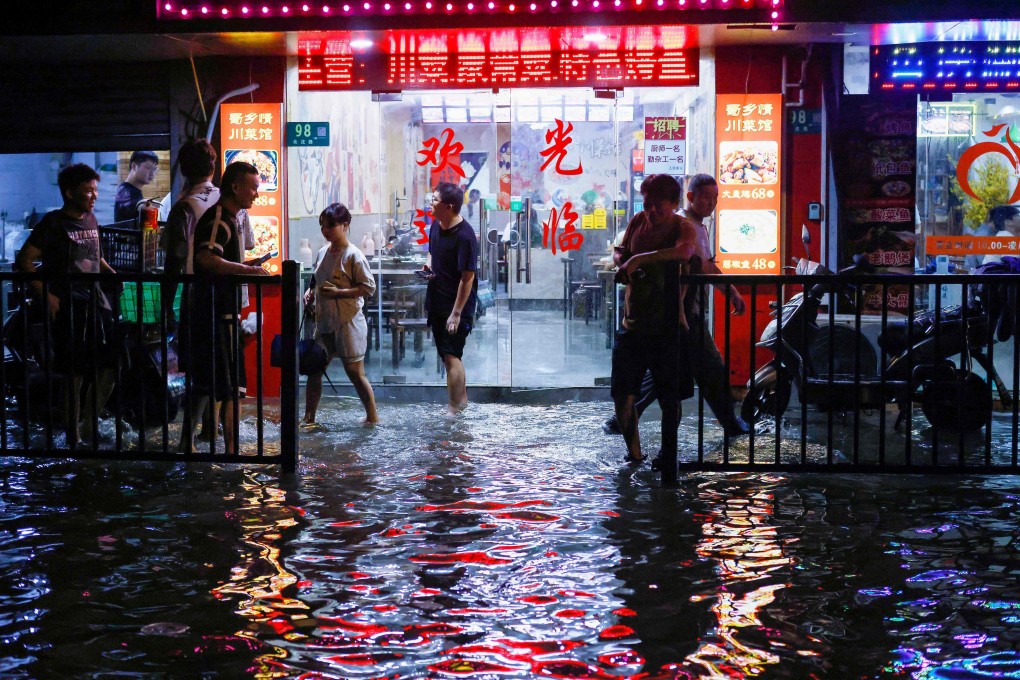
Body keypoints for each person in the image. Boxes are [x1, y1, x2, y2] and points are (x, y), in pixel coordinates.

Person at [603, 173, 750, 440]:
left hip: (676, 315)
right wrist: (628, 260)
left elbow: (699, 264)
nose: (710, 202)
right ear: (689, 197)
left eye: (715, 197)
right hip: (676, 316)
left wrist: (731, 291)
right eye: (705, 196)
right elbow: (698, 264)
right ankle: (728, 424)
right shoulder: (678, 226)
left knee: (673, 380)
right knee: (704, 371)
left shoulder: (690, 227)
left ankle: (636, 427)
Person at [16, 163, 118, 446]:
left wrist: (112, 274)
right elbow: (24, 260)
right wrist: (45, 294)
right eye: (88, 191)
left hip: (96, 303)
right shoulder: (53, 223)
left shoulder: (91, 219)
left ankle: (88, 423)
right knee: (74, 372)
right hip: (69, 306)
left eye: (96, 190)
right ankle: (73, 435)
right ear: (70, 193)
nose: (94, 196)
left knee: (109, 366)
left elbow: (94, 256)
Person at [179, 161, 269, 454]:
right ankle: (231, 453)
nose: (256, 193)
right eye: (253, 187)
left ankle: (188, 444)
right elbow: (206, 259)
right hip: (216, 314)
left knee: (206, 382)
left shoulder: (232, 217)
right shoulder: (219, 218)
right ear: (235, 186)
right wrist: (248, 271)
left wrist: (244, 266)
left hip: (218, 311)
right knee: (231, 387)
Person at [610, 174, 697, 470]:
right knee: (622, 395)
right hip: (632, 323)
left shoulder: (682, 226)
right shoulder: (638, 220)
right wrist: (622, 259)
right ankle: (634, 454)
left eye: (658, 206)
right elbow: (622, 250)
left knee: (669, 398)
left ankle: (666, 455)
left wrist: (640, 260)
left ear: (674, 204)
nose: (652, 211)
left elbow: (684, 252)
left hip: (668, 326)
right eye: (647, 204)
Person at [302, 203, 379, 426]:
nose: (325, 230)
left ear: (345, 225)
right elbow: (316, 279)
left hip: (348, 321)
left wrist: (340, 293)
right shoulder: (322, 252)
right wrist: (310, 292)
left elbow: (368, 287)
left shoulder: (354, 256)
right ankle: (309, 417)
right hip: (324, 321)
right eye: (322, 226)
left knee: (355, 372)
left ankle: (373, 417)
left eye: (331, 225)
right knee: (315, 370)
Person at [422, 181, 479, 415]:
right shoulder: (437, 225)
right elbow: (432, 251)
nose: (431, 203)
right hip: (437, 297)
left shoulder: (465, 236)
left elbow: (468, 278)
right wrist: (428, 266)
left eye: (435, 200)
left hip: (457, 304)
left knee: (452, 354)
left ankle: (454, 408)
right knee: (449, 355)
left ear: (450, 206)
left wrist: (456, 313)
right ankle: (460, 402)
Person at [114, 151, 159, 223]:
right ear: (134, 166)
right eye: (148, 168)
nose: (152, 173)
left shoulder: (132, 190)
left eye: (154, 169)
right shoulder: (125, 191)